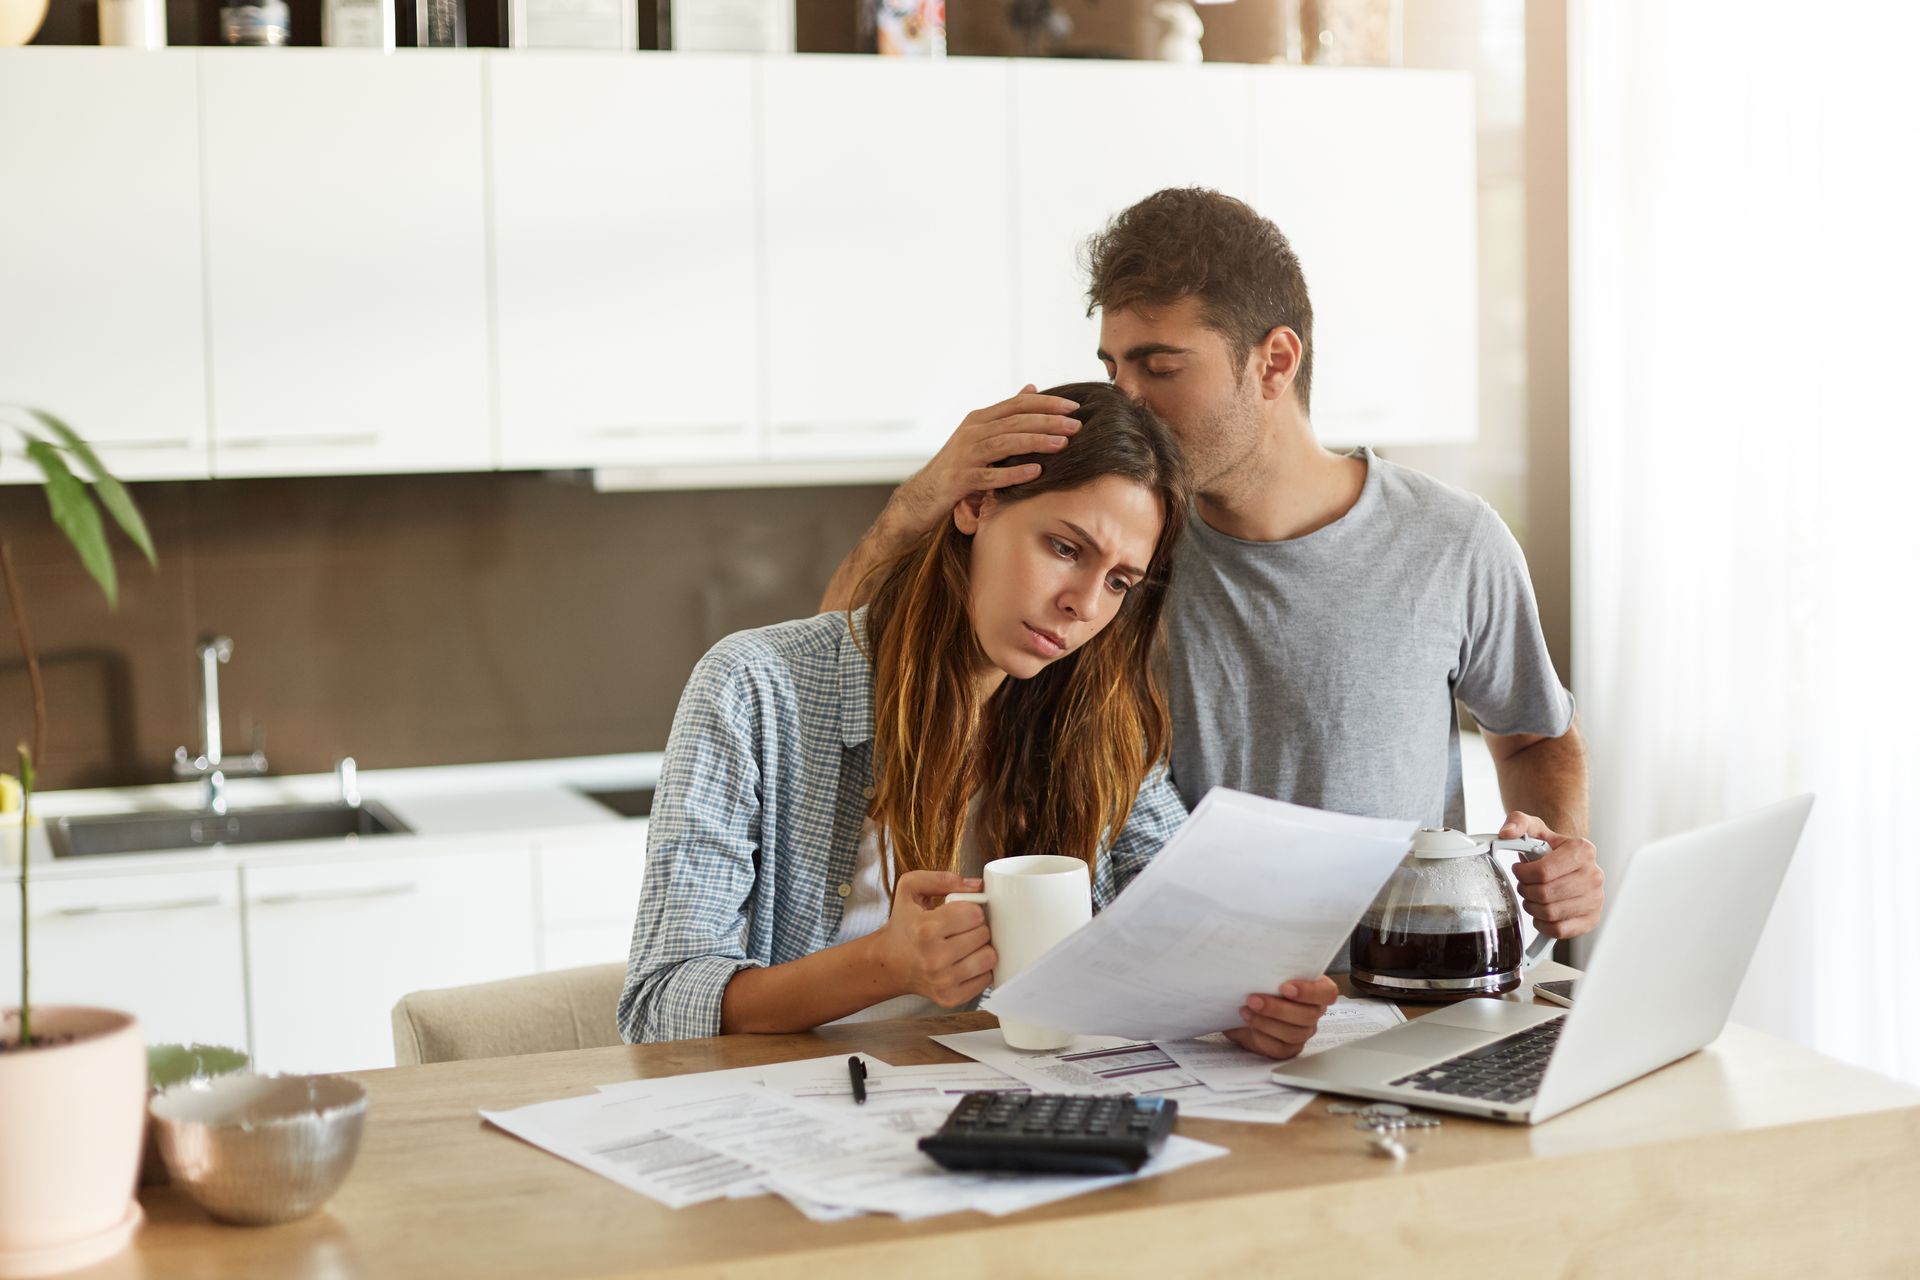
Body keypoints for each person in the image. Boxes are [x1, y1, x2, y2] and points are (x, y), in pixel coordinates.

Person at [821, 191, 1603, 1051]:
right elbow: (843, 670)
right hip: (1187, 1024)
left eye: (1159, 368)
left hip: (1402, 1012)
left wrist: (1557, 855)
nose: (1126, 398)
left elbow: (1534, 738)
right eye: (1112, 365)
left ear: (1273, 362)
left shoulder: (1453, 541)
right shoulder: (1116, 553)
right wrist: (930, 493)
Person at [622, 382, 1329, 1058]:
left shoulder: (1100, 721)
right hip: (820, 1109)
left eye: (1118, 581)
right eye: (1065, 548)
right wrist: (885, 964)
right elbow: (660, 1005)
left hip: (1031, 1098)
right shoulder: (755, 688)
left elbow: (1184, 928)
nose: (1083, 604)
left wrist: (1243, 1003)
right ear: (977, 507)